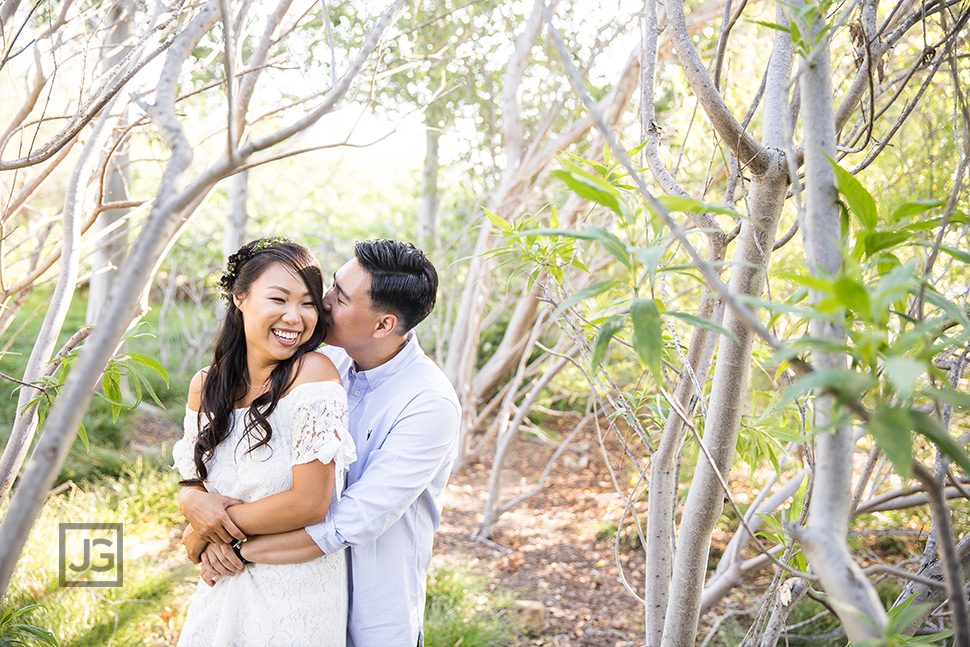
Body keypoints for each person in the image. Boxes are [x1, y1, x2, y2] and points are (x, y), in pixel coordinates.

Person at [179, 239, 460, 647]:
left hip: (368, 616)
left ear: (383, 325)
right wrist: (192, 500)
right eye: (331, 287)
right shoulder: (324, 363)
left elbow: (346, 521)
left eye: (339, 297)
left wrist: (219, 540)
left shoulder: (428, 404)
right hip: (264, 589)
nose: (323, 303)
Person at [172, 238, 357, 647]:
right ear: (240, 298)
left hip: (295, 593)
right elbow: (193, 483)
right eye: (279, 299)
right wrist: (191, 506)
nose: (294, 317)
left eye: (308, 303)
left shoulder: (314, 374)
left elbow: (310, 502)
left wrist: (206, 533)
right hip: (221, 582)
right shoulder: (206, 384)